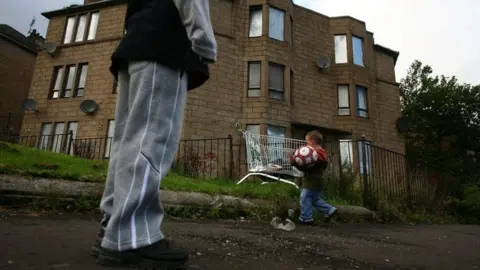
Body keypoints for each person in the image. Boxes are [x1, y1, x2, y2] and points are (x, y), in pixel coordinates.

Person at [91, 0, 217, 268]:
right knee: (151, 141)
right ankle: (131, 236)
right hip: (164, 47)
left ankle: (112, 227)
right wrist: (204, 44)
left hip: (136, 46)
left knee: (127, 143)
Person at [291, 130, 337, 225]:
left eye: (307, 142)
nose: (306, 145)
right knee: (315, 199)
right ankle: (330, 210)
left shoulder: (315, 155)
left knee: (304, 197)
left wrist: (295, 163)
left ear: (312, 142)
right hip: (318, 181)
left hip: (312, 181)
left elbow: (307, 168)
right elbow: (308, 168)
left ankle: (306, 218)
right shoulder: (320, 154)